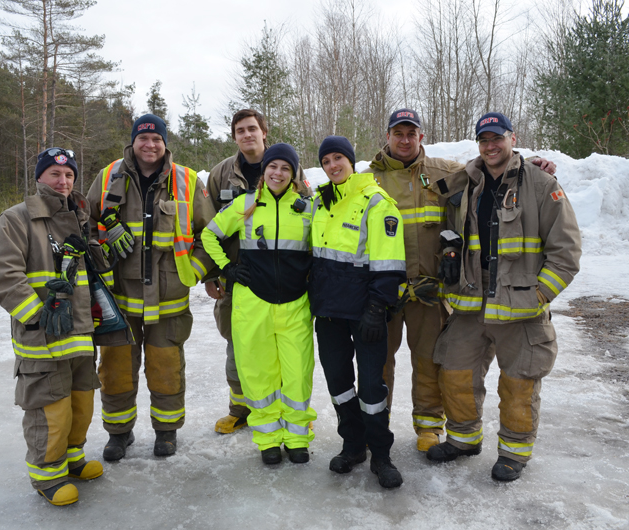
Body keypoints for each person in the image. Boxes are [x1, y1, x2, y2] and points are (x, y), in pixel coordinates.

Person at [369, 108, 558, 453]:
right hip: (384, 291)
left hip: (429, 290)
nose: (405, 139)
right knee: (378, 364)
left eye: (412, 133)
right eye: (399, 133)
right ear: (388, 136)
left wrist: (533, 165)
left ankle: (429, 427)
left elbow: (498, 167)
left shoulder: (447, 174)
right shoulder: (367, 181)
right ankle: (375, 425)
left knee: (429, 362)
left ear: (421, 136)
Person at [426, 112, 581, 481]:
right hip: (471, 300)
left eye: (497, 138)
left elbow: (566, 253)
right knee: (456, 372)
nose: (491, 146)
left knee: (519, 382)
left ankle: (514, 451)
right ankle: (464, 439)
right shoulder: (467, 181)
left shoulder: (542, 184)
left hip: (520, 305)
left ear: (513, 138)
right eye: (484, 139)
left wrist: (540, 294)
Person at [87, 114, 216, 460]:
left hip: (169, 298)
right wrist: (103, 240)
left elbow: (212, 235)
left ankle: (166, 432)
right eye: (143, 138)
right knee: (115, 368)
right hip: (119, 298)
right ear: (133, 142)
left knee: (166, 367)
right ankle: (119, 434)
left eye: (157, 139)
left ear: (165, 143)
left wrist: (196, 271)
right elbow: (85, 227)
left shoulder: (187, 181)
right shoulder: (107, 176)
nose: (150, 145)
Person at [0, 147, 103, 506]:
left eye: (69, 176)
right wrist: (36, 314)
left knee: (80, 402)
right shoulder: (17, 219)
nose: (63, 181)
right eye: (55, 174)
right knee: (49, 406)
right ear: (39, 178)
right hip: (43, 337)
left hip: (79, 333)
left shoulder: (81, 217)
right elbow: (0, 272)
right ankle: (47, 475)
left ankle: (72, 458)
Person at [201, 143, 316, 464]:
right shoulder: (246, 204)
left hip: (295, 306)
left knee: (297, 373)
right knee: (259, 374)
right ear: (264, 171)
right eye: (273, 167)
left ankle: (296, 438)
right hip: (253, 305)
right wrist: (227, 268)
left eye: (285, 168)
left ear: (293, 175)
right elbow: (210, 235)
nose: (278, 173)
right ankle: (267, 439)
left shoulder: (307, 209)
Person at [310, 136, 407, 489]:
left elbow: (390, 262)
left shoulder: (376, 202)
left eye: (339, 158)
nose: (333, 165)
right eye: (326, 161)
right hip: (329, 313)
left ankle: (381, 454)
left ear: (351, 160)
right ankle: (353, 446)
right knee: (339, 384)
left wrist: (377, 307)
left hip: (366, 312)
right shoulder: (321, 203)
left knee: (370, 387)